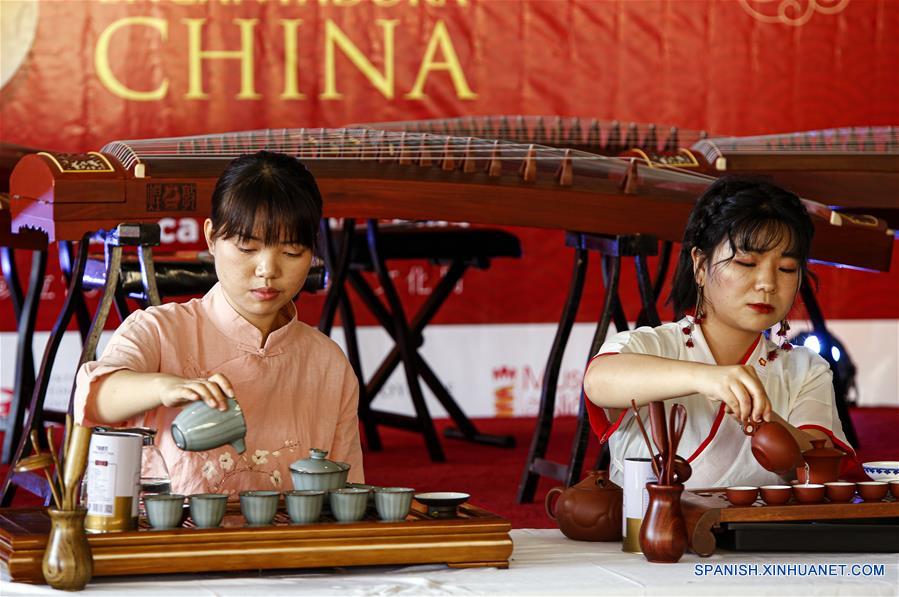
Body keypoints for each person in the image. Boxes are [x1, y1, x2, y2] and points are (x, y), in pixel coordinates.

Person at [74, 151, 364, 496]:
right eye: (246, 248)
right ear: (211, 238)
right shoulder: (159, 330)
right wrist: (165, 388)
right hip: (175, 543)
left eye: (291, 252)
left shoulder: (328, 363)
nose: (267, 270)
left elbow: (349, 492)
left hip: (287, 544)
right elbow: (94, 398)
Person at [583, 177, 854, 489]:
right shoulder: (651, 346)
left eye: (786, 269)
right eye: (746, 263)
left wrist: (767, 422)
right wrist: (708, 378)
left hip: (758, 534)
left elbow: (821, 461)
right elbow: (598, 381)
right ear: (700, 265)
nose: (767, 283)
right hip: (649, 530)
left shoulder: (806, 369)